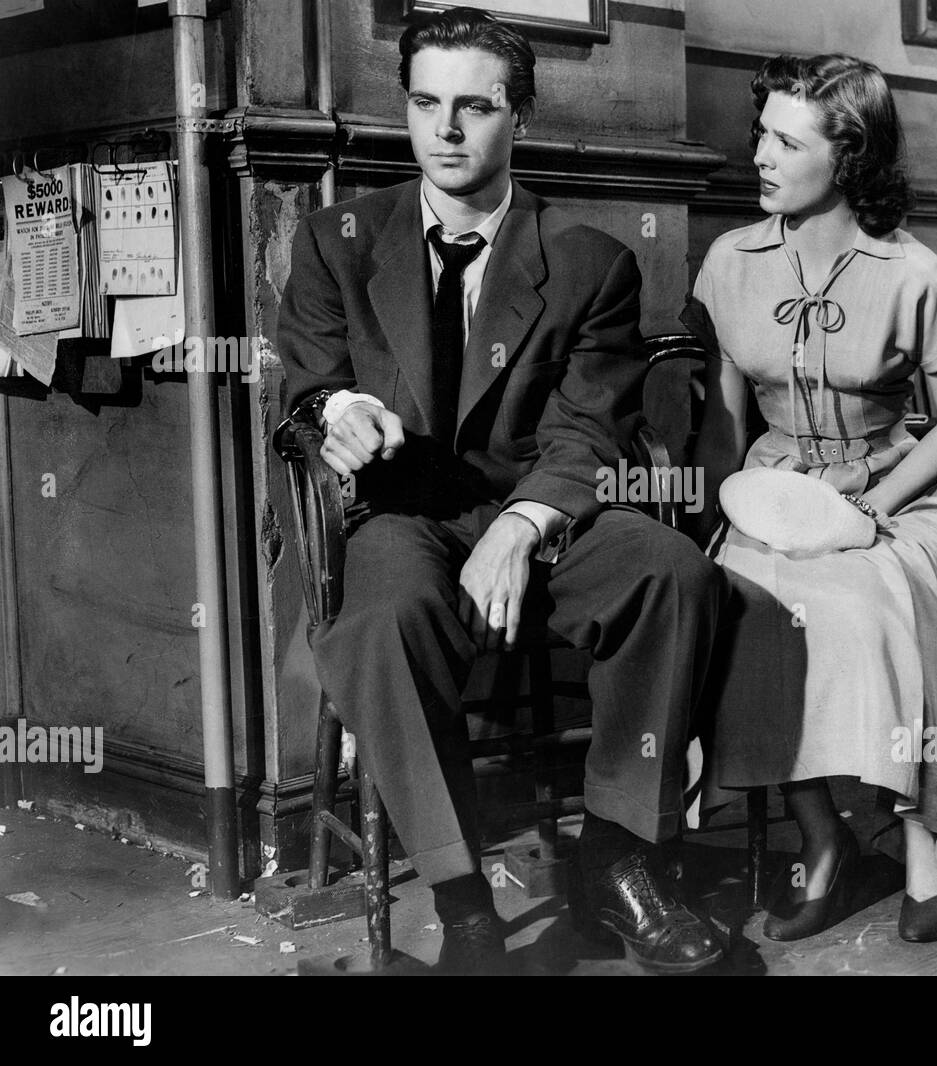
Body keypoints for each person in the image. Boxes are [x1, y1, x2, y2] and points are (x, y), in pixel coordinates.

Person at [277, 7, 725, 975]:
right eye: (426, 103)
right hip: (396, 511)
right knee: (386, 615)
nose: (445, 129)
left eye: (473, 107)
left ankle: (615, 853)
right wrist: (337, 412)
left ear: (516, 114)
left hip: (536, 508)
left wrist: (523, 524)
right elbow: (298, 398)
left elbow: (585, 429)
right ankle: (464, 900)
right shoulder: (335, 241)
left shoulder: (588, 263)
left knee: (672, 572)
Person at [682, 53, 937, 944]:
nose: (760, 156)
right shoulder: (729, 261)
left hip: (898, 487)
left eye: (787, 141)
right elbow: (724, 425)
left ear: (850, 157)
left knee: (867, 607)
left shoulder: (912, 274)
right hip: (774, 491)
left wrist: (870, 506)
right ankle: (823, 841)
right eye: (762, 135)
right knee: (743, 606)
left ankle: (919, 834)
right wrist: (713, 518)